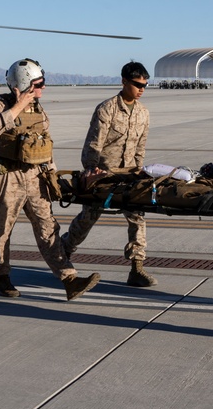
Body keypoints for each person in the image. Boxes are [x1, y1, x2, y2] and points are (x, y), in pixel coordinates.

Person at [0, 58, 101, 301]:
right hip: (9, 177)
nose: (43, 87)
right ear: (24, 84)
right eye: (38, 84)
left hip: (36, 176)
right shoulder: (1, 104)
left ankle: (69, 279)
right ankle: (1, 278)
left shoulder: (37, 108)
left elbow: (44, 142)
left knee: (48, 227)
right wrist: (18, 105)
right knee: (0, 230)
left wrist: (53, 176)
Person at [60, 61, 156, 287]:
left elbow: (140, 147)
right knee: (88, 217)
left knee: (137, 217)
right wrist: (91, 172)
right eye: (137, 84)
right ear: (124, 81)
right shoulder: (107, 109)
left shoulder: (143, 113)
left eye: (145, 85)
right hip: (104, 174)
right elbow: (93, 144)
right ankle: (62, 254)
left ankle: (137, 268)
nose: (141, 89)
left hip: (130, 174)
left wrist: (139, 171)